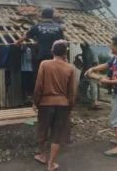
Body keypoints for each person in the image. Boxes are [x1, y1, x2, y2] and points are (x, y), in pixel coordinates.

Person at [85, 34, 117, 157]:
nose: (110, 46)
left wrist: (108, 82)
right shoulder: (116, 58)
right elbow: (106, 65)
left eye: (111, 44)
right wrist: (93, 69)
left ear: (116, 46)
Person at [33, 40, 75, 171]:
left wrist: (35, 102)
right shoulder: (70, 68)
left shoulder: (44, 64)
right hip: (63, 104)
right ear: (65, 53)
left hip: (45, 103)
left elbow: (39, 86)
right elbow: (72, 92)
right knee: (57, 134)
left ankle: (42, 156)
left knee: (43, 129)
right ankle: (51, 163)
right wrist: (70, 107)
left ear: (52, 51)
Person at [75, 43, 100, 108]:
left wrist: (96, 74)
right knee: (82, 86)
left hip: (91, 71)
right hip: (85, 71)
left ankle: (94, 102)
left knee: (93, 87)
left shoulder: (91, 52)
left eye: (82, 45)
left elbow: (96, 63)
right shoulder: (84, 52)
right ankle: (84, 99)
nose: (80, 46)